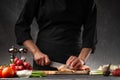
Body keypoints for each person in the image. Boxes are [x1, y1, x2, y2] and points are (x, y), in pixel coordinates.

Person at [15, 0, 97, 70]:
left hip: (74, 64)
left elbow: (90, 34)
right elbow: (21, 27)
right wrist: (35, 52)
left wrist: (81, 59)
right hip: (43, 61)